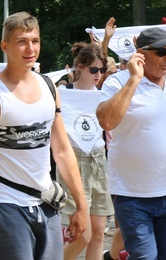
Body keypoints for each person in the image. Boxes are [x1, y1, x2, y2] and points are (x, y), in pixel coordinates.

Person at [0, 12, 89, 260]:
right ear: (5, 46)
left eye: (35, 40)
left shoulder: (49, 88)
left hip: (46, 201)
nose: (30, 48)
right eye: (22, 41)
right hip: (4, 202)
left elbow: (62, 150)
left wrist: (81, 205)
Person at [97, 27, 166, 259]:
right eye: (161, 52)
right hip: (132, 195)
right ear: (141, 54)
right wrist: (134, 79)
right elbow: (106, 121)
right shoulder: (117, 82)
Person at [58, 42, 114, 260]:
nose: (98, 74)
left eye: (102, 70)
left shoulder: (102, 94)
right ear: (79, 67)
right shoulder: (62, 93)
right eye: (93, 69)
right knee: (82, 235)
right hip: (74, 160)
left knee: (99, 234)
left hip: (99, 160)